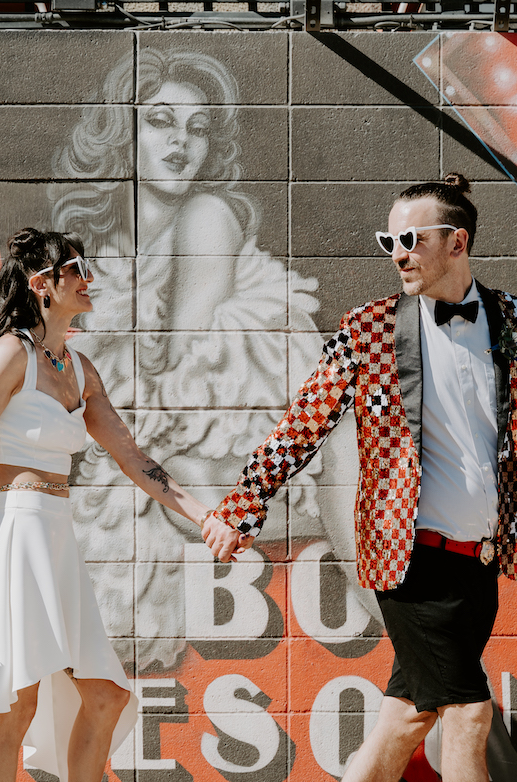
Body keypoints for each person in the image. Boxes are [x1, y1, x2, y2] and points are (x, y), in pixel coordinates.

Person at [203, 174, 517, 782]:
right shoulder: (369, 329)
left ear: (456, 242)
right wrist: (244, 504)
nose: (398, 253)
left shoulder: (516, 321)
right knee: (468, 714)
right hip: (408, 558)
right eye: (390, 240)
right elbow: (304, 422)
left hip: (478, 560)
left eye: (411, 238)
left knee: (406, 716)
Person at [0, 228, 213, 782]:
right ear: (41, 283)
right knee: (15, 704)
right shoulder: (8, 356)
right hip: (16, 538)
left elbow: (133, 458)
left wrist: (206, 516)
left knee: (105, 695)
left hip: (57, 541)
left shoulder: (79, 367)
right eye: (76, 268)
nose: (87, 277)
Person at [48, 47, 325, 671]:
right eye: (161, 121)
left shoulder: (206, 218)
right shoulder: (101, 246)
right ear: (124, 131)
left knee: (173, 490)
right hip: (156, 446)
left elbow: (176, 368)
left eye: (197, 130)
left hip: (243, 438)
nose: (181, 143)